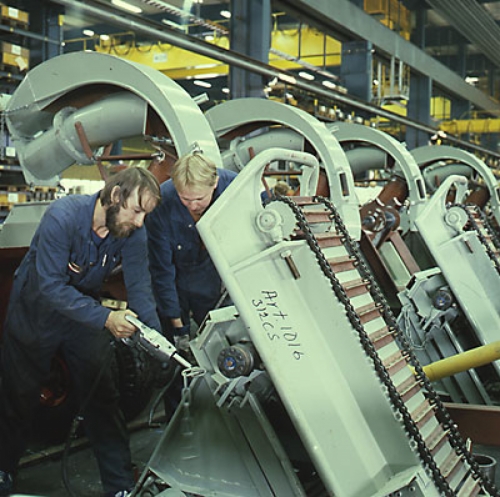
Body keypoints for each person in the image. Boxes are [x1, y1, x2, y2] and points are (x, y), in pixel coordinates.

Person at [0, 167, 162, 497]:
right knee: (19, 395)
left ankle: (120, 487)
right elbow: (50, 286)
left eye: (145, 214)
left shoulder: (132, 233)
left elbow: (140, 289)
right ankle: (3, 470)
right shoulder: (63, 217)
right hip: (36, 311)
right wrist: (106, 319)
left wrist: (158, 344)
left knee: (102, 396)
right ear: (115, 196)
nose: (140, 222)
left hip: (82, 313)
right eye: (136, 211)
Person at [146, 151, 237, 348]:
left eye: (199, 198)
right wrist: (177, 326)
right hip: (175, 274)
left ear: (215, 183)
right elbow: (162, 269)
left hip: (216, 275)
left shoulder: (237, 188)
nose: (193, 206)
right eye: (185, 199)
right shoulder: (162, 202)